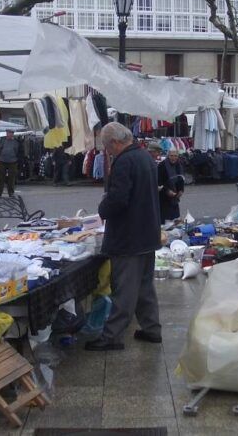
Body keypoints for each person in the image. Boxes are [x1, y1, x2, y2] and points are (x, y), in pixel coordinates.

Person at [86, 122, 161, 351]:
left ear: (116, 143)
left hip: (130, 236)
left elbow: (118, 199)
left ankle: (111, 337)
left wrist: (102, 209)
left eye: (108, 148)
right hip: (147, 233)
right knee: (145, 286)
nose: (107, 152)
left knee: (124, 289)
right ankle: (151, 329)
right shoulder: (145, 156)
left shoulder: (125, 161)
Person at [158, 148, 185, 221]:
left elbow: (181, 178)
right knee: (165, 220)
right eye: (171, 155)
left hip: (175, 196)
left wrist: (181, 190)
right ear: (168, 156)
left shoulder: (179, 165)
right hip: (164, 197)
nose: (173, 158)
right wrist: (167, 191)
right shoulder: (162, 166)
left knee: (175, 220)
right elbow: (159, 182)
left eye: (175, 156)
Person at [0, 130, 19, 197]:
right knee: (0, 178)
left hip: (13, 161)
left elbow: (20, 151)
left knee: (11, 178)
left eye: (11, 133)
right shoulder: (2, 141)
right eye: (8, 133)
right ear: (6, 133)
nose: (9, 134)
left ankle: (11, 192)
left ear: (13, 134)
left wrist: (18, 160)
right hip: (2, 161)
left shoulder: (16, 142)